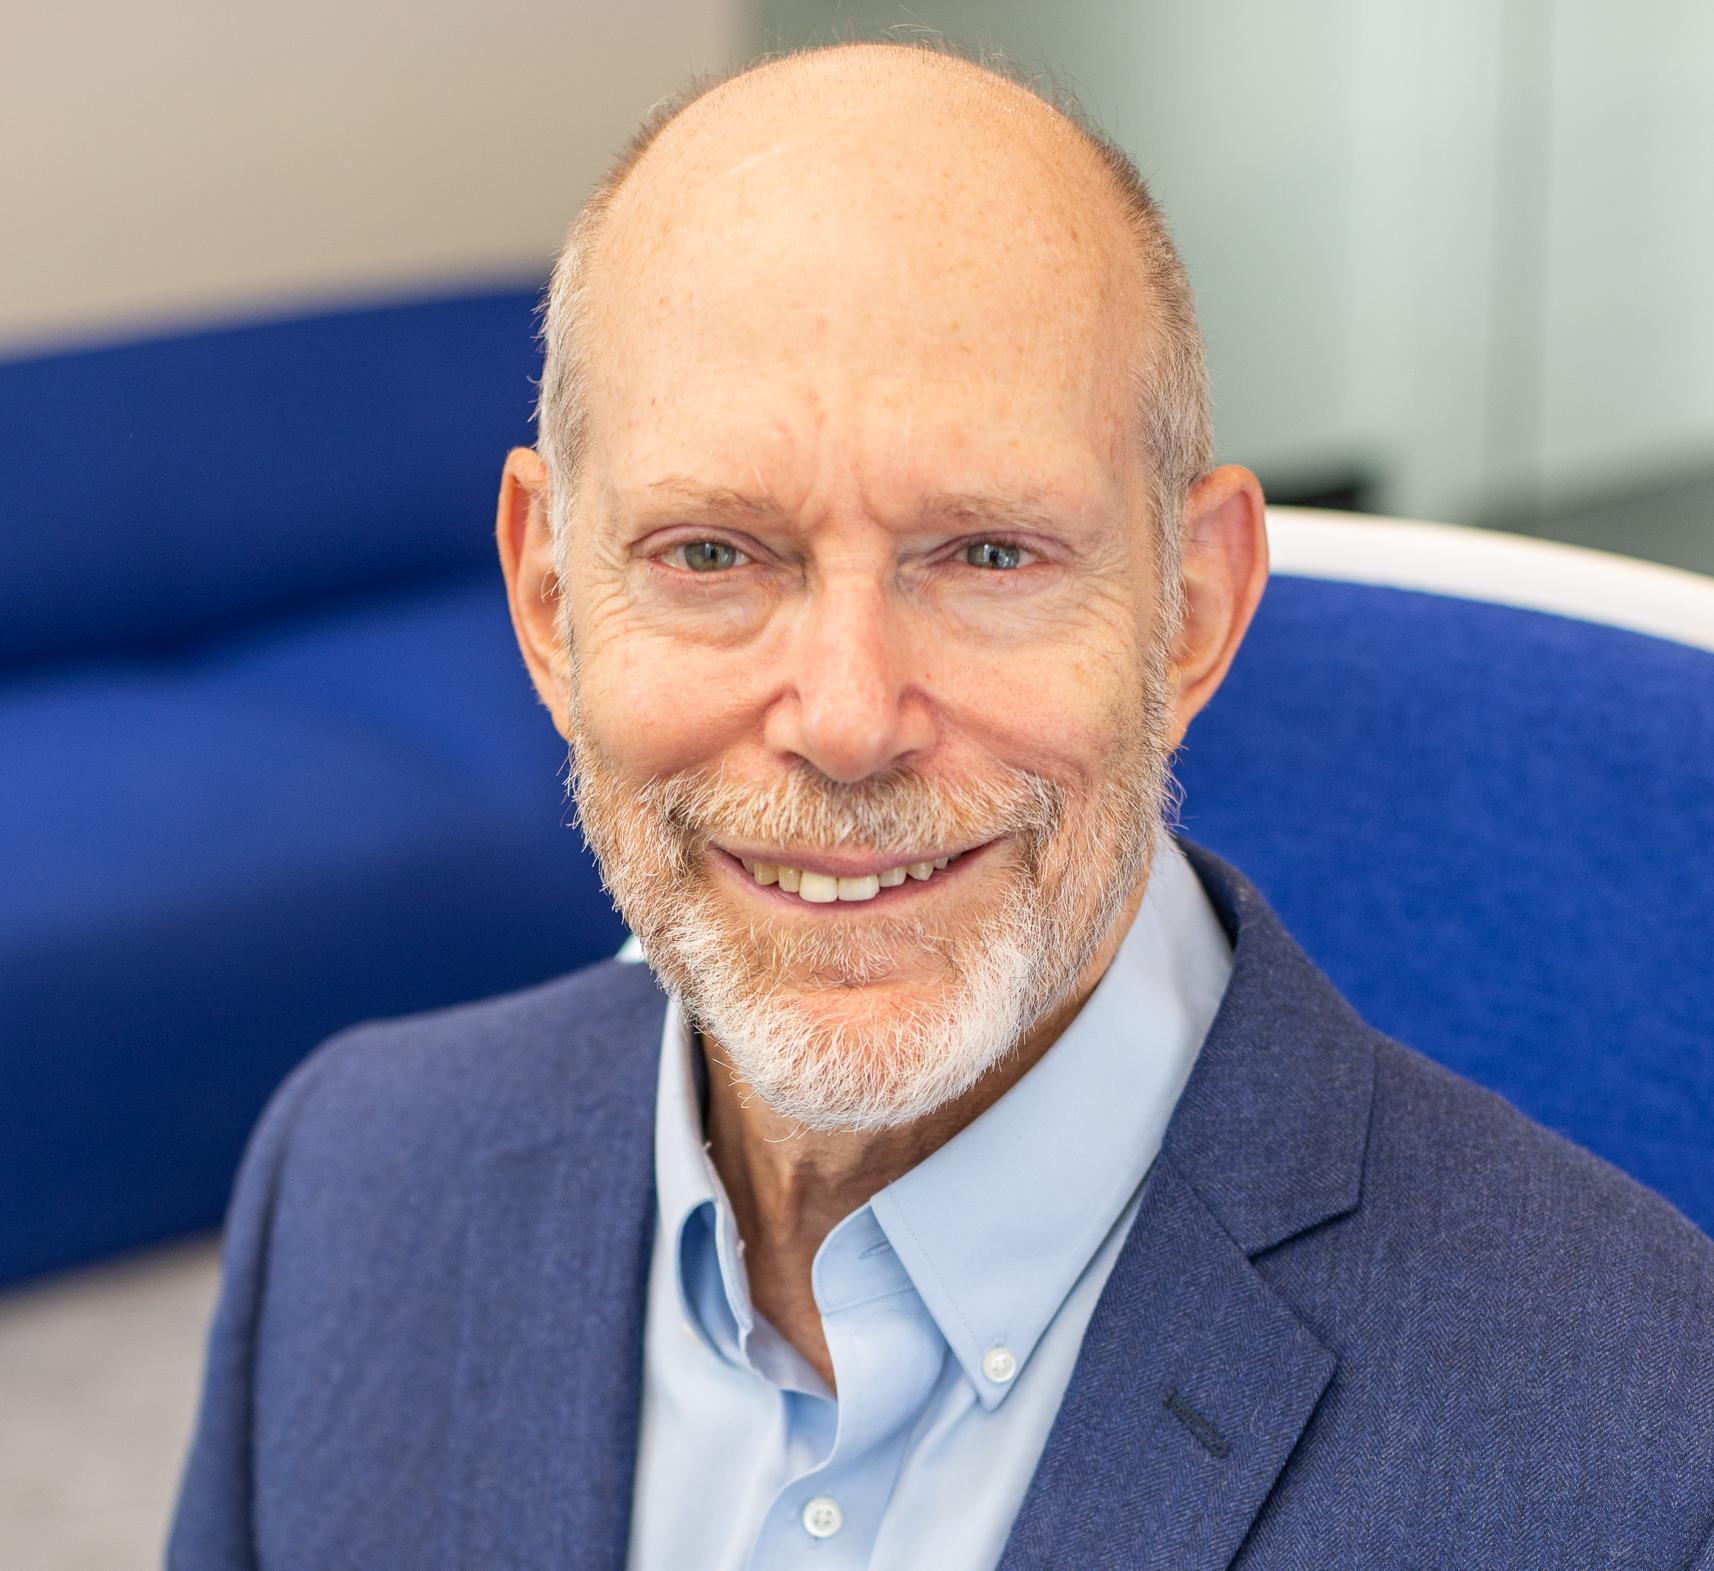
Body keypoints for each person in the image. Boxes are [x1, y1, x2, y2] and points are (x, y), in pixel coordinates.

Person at [169, 38, 1714, 1571]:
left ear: (1191, 611)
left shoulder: (1638, 1442)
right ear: (550, 601)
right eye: (712, 554)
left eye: (985, 554)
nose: (844, 722)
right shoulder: (355, 1180)